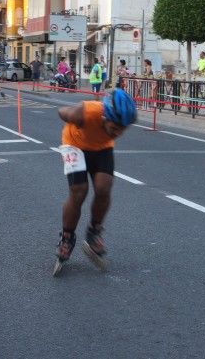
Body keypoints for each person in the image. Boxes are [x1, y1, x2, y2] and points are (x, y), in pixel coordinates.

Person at [53, 88, 137, 276]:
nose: (117, 133)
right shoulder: (85, 112)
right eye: (114, 128)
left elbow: (112, 134)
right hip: (73, 145)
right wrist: (70, 115)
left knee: (104, 187)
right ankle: (67, 237)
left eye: (122, 130)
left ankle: (94, 232)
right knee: (79, 190)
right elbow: (61, 111)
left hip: (101, 148)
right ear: (105, 117)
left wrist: (112, 133)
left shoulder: (113, 131)